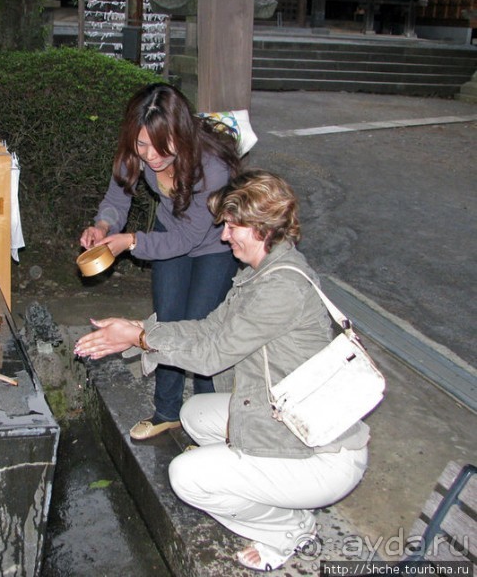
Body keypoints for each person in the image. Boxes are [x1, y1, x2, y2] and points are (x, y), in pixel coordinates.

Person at [74, 170, 369, 572]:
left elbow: (213, 353)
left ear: (262, 227)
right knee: (194, 416)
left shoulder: (281, 288)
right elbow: (210, 328)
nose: (225, 236)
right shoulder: (261, 273)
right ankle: (257, 480)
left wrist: (140, 339)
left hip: (321, 455)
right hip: (283, 414)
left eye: (232, 226)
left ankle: (286, 529)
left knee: (186, 477)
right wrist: (139, 330)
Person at [79, 83, 241, 441]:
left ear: (181, 134)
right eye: (142, 145)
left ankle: (212, 426)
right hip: (169, 231)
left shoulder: (211, 168)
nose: (150, 156)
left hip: (213, 244)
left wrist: (132, 242)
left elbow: (188, 240)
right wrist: (103, 224)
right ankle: (167, 412)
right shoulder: (136, 148)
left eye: (161, 145)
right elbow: (117, 196)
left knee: (201, 327)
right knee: (167, 320)